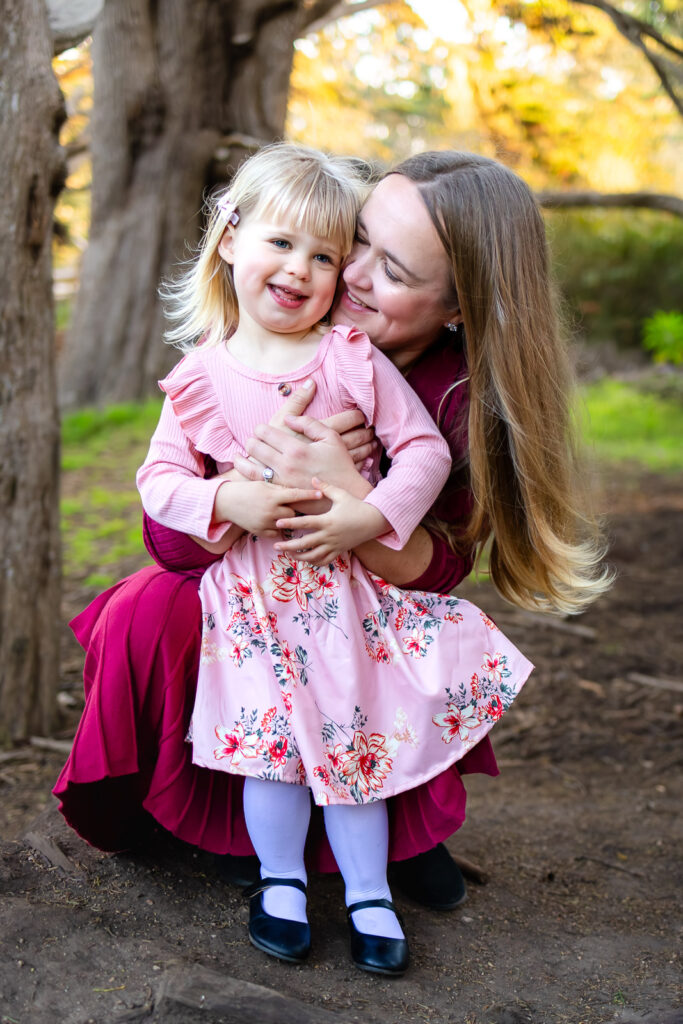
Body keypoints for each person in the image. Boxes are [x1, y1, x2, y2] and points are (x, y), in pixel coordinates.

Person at [54, 147, 608, 970]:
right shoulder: (247, 342)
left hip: (357, 585)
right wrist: (238, 490)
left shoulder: (453, 395)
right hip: (250, 576)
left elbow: (443, 566)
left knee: (393, 650)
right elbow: (169, 537)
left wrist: (360, 497)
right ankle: (229, 831)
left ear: (457, 308)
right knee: (147, 606)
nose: (342, 275)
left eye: (388, 269)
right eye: (356, 241)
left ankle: (396, 834)